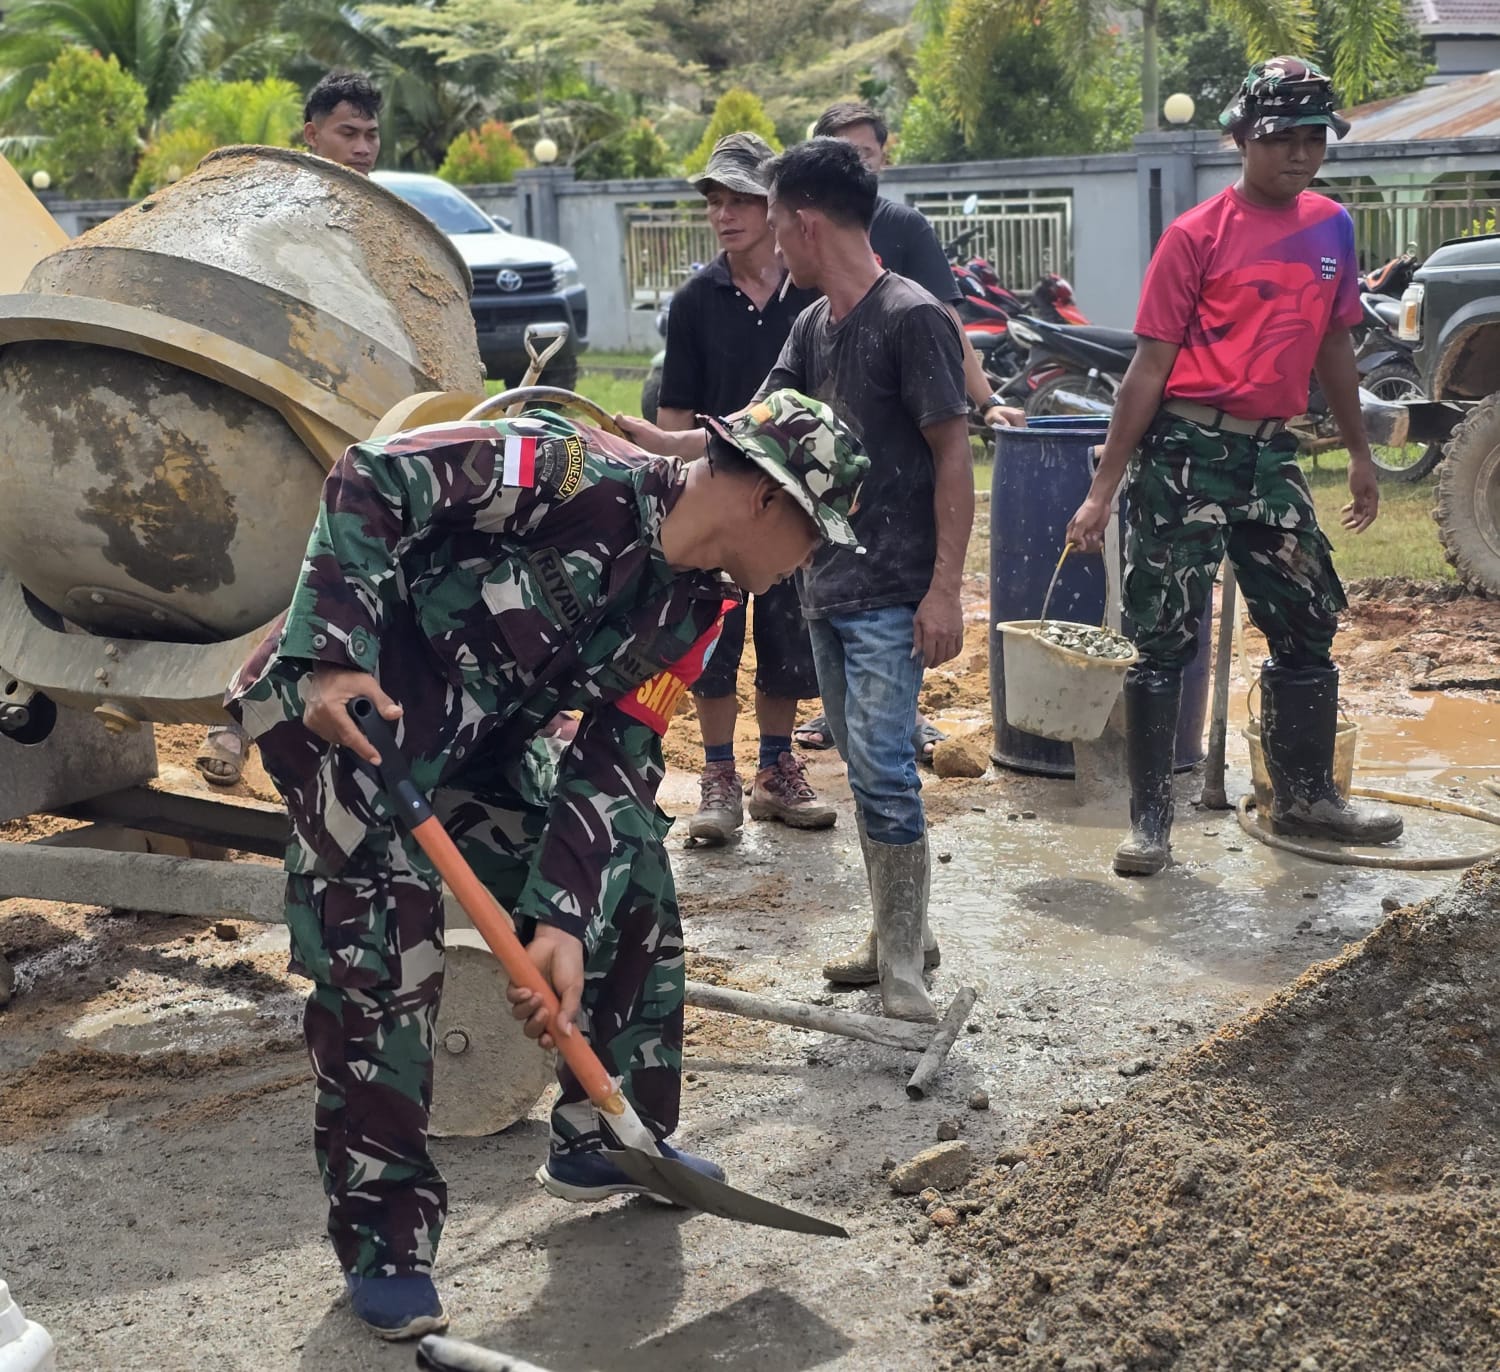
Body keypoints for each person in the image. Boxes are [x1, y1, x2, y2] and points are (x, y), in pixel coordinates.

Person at [225, 393, 866, 1340]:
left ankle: (609, 1134)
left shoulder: (700, 605)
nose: (810, 563)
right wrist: (332, 654)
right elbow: (373, 475)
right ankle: (387, 1245)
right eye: (815, 537)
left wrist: (562, 918)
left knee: (630, 872)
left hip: (482, 745)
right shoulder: (567, 476)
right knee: (383, 958)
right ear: (768, 500)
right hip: (350, 725)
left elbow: (618, 756)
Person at [619, 139, 972, 1023]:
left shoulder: (911, 318)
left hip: (893, 590)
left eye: (775, 220)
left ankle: (903, 967)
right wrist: (662, 443)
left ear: (806, 224)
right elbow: (757, 427)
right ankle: (900, 934)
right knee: (858, 756)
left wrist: (944, 590)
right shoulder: (815, 326)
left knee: (883, 768)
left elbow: (954, 457)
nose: (772, 238)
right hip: (826, 582)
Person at [1063, 57, 1403, 878]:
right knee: (1162, 635)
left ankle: (1306, 796)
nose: (1300, 152)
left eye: (1314, 137)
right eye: (1281, 136)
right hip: (1185, 451)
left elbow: (1335, 345)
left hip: (1271, 453)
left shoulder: (1332, 228)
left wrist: (1361, 454)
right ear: (1243, 138)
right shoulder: (1195, 236)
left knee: (1308, 617)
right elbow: (1147, 370)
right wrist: (1103, 491)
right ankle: (1152, 823)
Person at [793, 101, 1023, 761]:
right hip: (824, 488)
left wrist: (984, 401)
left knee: (881, 742)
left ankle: (894, 721)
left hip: (894, 497)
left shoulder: (902, 241)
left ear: (883, 157)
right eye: (839, 153)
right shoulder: (805, 266)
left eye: (863, 153)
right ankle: (862, 724)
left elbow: (945, 326)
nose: (853, 164)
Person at [195, 70, 385, 787]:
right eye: (348, 133)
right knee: (254, 569)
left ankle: (245, 726)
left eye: (371, 135)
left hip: (348, 425)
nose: (362, 148)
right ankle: (232, 722)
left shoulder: (383, 230)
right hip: (263, 416)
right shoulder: (273, 209)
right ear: (312, 134)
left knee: (314, 573)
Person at [655, 133, 834, 843]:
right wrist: (676, 492)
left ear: (773, 207)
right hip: (721, 499)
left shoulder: (811, 295)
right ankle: (719, 774)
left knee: (788, 638)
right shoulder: (696, 301)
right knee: (714, 639)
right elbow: (675, 412)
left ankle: (776, 769)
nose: (724, 215)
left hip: (789, 501)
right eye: (714, 202)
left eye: (741, 201)